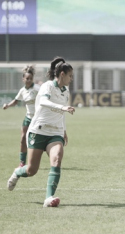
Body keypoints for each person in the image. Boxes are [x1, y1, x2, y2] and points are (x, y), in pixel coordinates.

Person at [7, 57, 75, 208]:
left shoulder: (66, 91)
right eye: (70, 75)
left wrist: (63, 130)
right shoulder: (47, 86)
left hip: (55, 132)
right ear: (62, 74)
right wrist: (62, 108)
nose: (72, 79)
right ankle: (18, 172)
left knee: (57, 159)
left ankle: (48, 198)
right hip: (38, 130)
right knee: (31, 170)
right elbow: (44, 102)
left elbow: (61, 114)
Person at [2, 65, 40, 167]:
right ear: (23, 79)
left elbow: (45, 97)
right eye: (27, 78)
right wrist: (8, 105)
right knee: (23, 138)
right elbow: (16, 101)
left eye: (30, 79)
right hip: (28, 117)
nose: (29, 80)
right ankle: (22, 162)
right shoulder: (22, 90)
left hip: (38, 119)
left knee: (39, 141)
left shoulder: (37, 89)